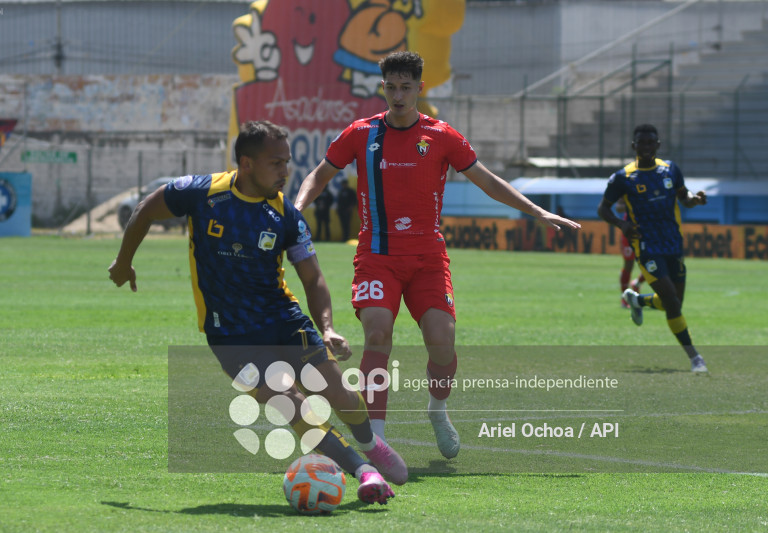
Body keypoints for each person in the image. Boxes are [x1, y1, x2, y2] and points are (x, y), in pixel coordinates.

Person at [294, 51, 581, 459]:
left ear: (419, 88)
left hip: (427, 259)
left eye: (405, 87)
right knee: (377, 334)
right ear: (382, 87)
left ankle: (437, 409)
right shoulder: (361, 133)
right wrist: (295, 210)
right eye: (391, 87)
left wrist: (538, 211)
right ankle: (376, 439)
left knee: (442, 343)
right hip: (377, 256)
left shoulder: (442, 135)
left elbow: (488, 181)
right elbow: (320, 174)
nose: (398, 95)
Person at [108, 121, 407, 505]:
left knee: (339, 393)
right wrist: (124, 261)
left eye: (287, 162)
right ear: (247, 164)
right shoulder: (201, 193)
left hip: (283, 321)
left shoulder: (285, 215)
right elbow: (145, 210)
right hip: (231, 338)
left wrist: (328, 327)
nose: (286, 172)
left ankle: (370, 444)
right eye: (276, 163)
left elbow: (312, 277)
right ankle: (364, 471)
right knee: (291, 401)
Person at [598, 123, 708, 373]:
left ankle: (638, 300)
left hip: (673, 243)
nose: (646, 146)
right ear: (633, 146)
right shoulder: (623, 177)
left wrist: (696, 200)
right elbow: (603, 209)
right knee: (671, 300)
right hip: (646, 246)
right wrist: (621, 225)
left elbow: (684, 197)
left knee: (674, 302)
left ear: (658, 145)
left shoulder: (670, 170)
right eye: (641, 142)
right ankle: (695, 357)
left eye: (650, 142)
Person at [615, 198, 645, 308]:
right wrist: (632, 205)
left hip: (647, 231)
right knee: (628, 264)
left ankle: (637, 283)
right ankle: (625, 298)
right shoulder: (628, 190)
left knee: (652, 263)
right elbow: (618, 207)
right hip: (629, 232)